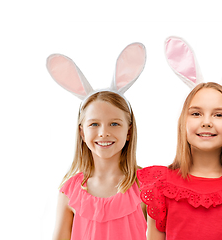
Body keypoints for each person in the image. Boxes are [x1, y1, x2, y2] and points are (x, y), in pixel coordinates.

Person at [138, 37, 222, 240]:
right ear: (183, 121)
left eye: (219, 114)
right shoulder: (161, 185)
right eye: (196, 113)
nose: (207, 122)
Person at [48, 43, 148, 240]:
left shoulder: (145, 186)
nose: (103, 133)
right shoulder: (70, 191)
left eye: (114, 124)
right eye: (94, 124)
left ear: (129, 131)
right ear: (82, 133)